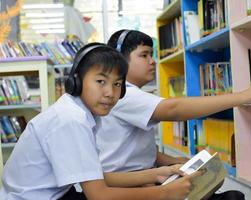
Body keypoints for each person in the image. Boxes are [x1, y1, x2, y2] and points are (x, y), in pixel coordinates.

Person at [0, 43, 198, 200]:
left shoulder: (81, 112)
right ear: (76, 81)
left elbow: (94, 176)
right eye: (100, 81)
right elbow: (99, 194)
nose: (110, 93)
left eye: (117, 84)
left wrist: (156, 174)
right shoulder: (71, 119)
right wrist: (165, 193)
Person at [97, 29, 251, 174]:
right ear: (120, 61)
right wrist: (242, 97)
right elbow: (173, 109)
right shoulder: (122, 94)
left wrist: (175, 161)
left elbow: (136, 152)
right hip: (127, 185)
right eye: (144, 55)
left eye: (152, 55)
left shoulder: (129, 92)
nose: (153, 62)